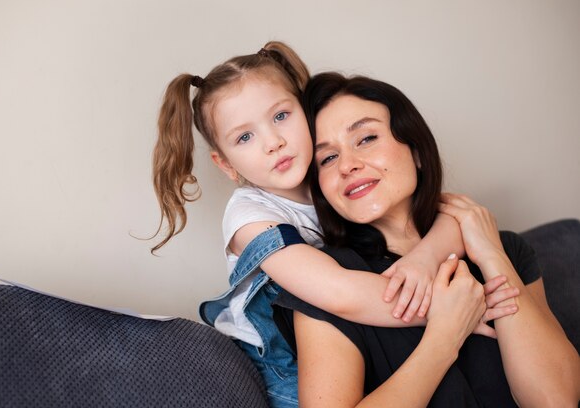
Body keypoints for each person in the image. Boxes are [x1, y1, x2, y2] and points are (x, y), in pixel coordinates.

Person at [151, 42, 495, 407]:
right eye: (245, 137)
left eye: (281, 116)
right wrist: (449, 315)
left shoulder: (335, 176)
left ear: (306, 112)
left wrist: (426, 258)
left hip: (350, 346)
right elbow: (340, 295)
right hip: (284, 374)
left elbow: (453, 214)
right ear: (226, 165)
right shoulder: (249, 217)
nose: (274, 142)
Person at [275, 72, 580, 407]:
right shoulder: (324, 282)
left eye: (365, 139)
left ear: (417, 151)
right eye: (328, 158)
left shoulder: (504, 249)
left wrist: (492, 256)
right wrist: (443, 338)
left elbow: (556, 400)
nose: (347, 165)